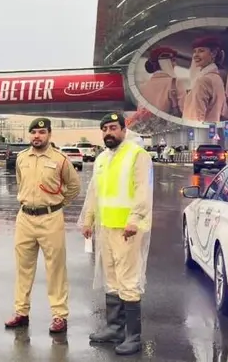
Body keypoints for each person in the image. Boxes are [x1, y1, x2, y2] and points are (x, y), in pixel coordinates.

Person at [79, 112, 153, 356]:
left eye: (113, 127)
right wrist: (87, 220)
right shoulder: (102, 158)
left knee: (128, 280)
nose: (108, 132)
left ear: (123, 129)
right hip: (106, 228)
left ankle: (133, 336)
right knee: (111, 279)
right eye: (105, 129)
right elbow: (94, 192)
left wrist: (134, 219)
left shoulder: (137, 155)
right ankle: (114, 328)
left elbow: (143, 190)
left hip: (128, 230)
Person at [4, 118, 82, 334]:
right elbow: (21, 182)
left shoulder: (60, 159)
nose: (37, 136)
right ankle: (21, 312)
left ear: (49, 134)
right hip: (25, 218)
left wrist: (59, 204)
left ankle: (59, 316)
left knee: (55, 269)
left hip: (50, 219)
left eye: (41, 132)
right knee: (23, 268)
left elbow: (74, 186)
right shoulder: (21, 158)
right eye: (34, 132)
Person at [182, 36, 226, 123]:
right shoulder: (217, 78)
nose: (195, 55)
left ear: (213, 53)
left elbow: (196, 117)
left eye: (201, 51)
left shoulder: (203, 81)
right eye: (194, 52)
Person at [139, 46, 187, 117]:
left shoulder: (144, 86)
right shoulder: (175, 83)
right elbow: (185, 111)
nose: (175, 64)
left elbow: (140, 113)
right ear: (165, 62)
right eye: (173, 60)